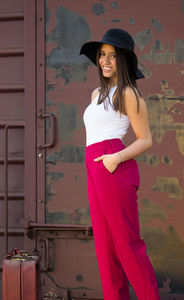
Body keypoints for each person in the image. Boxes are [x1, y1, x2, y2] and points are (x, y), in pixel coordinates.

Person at [80, 28, 160, 300]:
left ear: (124, 59)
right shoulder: (96, 95)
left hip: (113, 163)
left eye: (113, 56)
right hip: (94, 165)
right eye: (102, 55)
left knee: (127, 244)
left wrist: (117, 157)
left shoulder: (128, 93)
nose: (105, 61)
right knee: (105, 247)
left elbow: (145, 139)